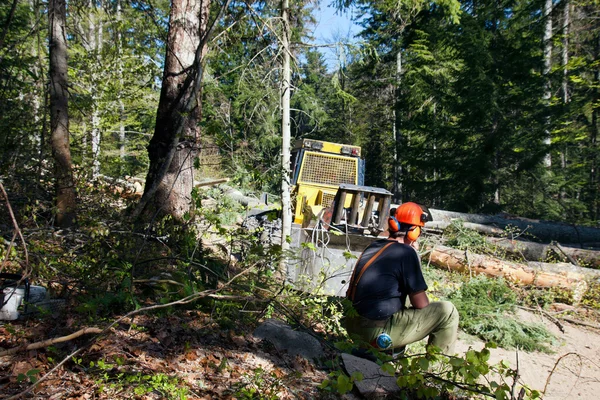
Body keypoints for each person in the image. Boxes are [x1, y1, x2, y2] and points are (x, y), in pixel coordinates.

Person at [344, 202, 459, 356]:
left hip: (353, 327)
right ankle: (436, 370)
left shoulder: (375, 246)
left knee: (400, 295)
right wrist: (414, 256)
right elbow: (421, 303)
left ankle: (389, 355)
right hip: (374, 333)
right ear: (415, 232)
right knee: (448, 312)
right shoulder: (405, 252)